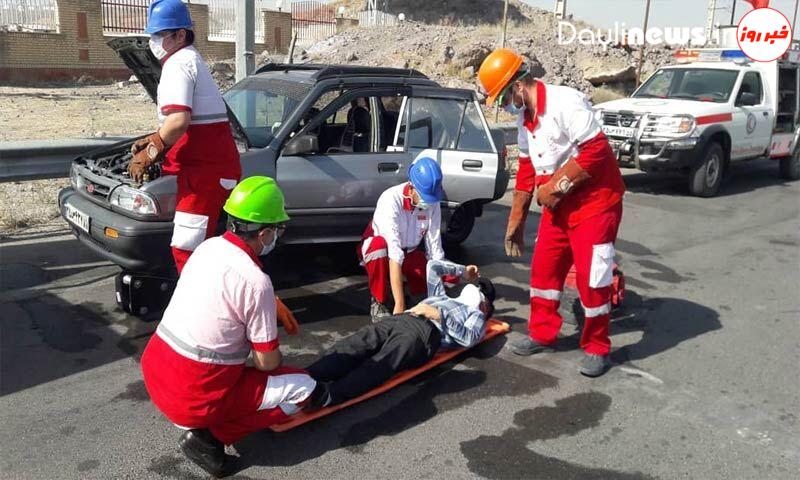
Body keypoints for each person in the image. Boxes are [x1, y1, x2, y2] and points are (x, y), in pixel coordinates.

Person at [140, 177, 325, 477]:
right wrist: (273, 343)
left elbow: (218, 297)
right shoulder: (256, 281)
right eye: (277, 230)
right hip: (192, 396)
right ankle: (209, 438)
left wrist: (266, 304)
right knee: (305, 388)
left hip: (158, 373)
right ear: (264, 234)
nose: (277, 235)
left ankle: (207, 422)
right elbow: (266, 364)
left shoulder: (207, 248)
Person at [478, 48, 626, 377]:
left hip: (595, 204)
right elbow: (528, 169)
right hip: (558, 208)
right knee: (544, 272)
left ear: (518, 86)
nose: (503, 106)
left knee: (593, 279)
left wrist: (556, 186)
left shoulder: (564, 102)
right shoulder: (525, 119)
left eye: (503, 98)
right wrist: (516, 220)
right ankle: (543, 334)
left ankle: (597, 346)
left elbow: (597, 151)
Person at [130, 0, 241, 274]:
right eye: (153, 35)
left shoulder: (179, 62)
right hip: (208, 170)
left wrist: (150, 153)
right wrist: (156, 135)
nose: (154, 42)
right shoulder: (188, 59)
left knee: (187, 250)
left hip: (204, 174)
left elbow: (179, 121)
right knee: (203, 247)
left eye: (160, 34)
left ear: (180, 35)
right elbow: (182, 122)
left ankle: (200, 310)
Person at [306, 259, 495, 407]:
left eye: (481, 289)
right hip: (403, 318)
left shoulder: (476, 313)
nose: (476, 289)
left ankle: (330, 394)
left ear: (486, 305)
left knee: (381, 362)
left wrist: (440, 316)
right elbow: (433, 266)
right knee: (358, 343)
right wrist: (463, 271)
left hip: (425, 332)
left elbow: (469, 338)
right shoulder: (442, 295)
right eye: (478, 285)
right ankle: (307, 376)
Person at [359, 157, 450, 321]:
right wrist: (399, 306)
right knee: (378, 247)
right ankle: (379, 300)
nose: (427, 203)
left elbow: (434, 246)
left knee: (445, 274)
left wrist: (439, 297)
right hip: (384, 252)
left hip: (410, 252)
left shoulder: (433, 203)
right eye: (424, 196)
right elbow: (394, 254)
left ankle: (405, 288)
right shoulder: (390, 200)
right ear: (411, 187)